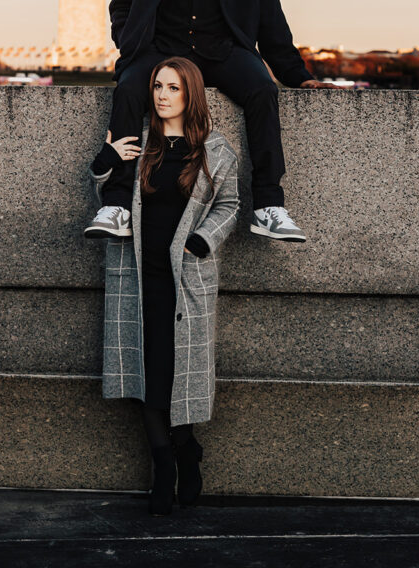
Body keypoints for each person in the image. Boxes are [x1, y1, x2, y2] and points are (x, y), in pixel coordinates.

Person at [85, 0, 334, 246]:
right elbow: (122, 7)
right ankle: (116, 204)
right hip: (162, 53)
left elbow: (270, 19)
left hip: (223, 51)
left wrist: (297, 74)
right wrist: (131, 45)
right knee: (131, 88)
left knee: (263, 91)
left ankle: (268, 206)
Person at [89, 57, 240, 515]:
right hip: (136, 274)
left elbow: (230, 205)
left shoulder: (215, 149)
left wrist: (201, 241)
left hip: (186, 276)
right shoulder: (141, 139)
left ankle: (187, 449)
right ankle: (164, 469)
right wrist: (108, 158)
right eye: (157, 86)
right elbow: (104, 190)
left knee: (179, 373)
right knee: (145, 370)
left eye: (172, 87)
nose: (161, 95)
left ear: (189, 93)